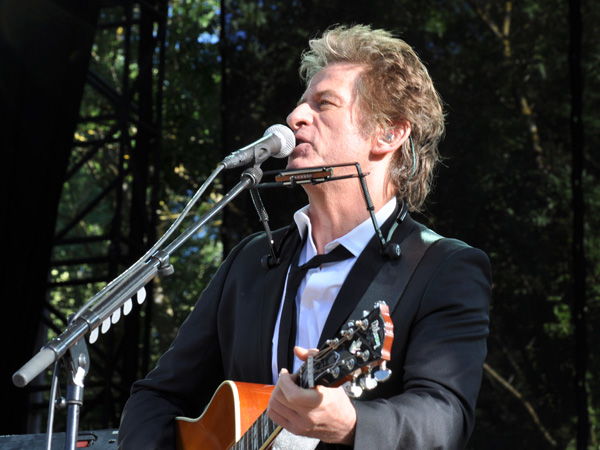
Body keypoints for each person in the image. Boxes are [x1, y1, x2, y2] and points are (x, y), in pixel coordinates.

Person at [118, 24, 491, 450]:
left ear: (389, 133)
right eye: (300, 104)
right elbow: (157, 396)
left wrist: (352, 423)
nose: (294, 117)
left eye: (323, 104)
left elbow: (444, 416)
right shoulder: (251, 259)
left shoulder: (442, 267)